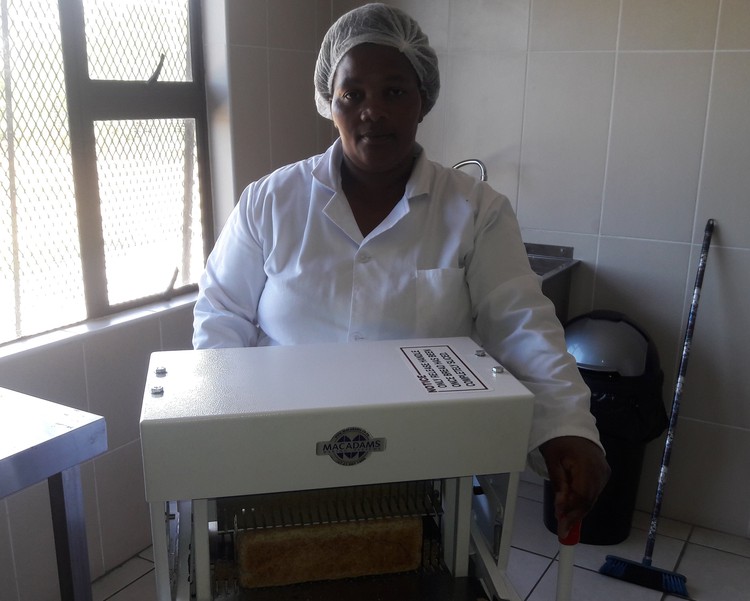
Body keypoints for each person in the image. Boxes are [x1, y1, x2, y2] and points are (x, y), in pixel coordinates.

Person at [193, 2, 609, 539]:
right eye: (353, 94)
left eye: (394, 91)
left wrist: (568, 427)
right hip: (281, 462)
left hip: (427, 475)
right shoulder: (269, 203)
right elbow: (221, 315)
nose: (374, 111)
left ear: (423, 100)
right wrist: (227, 426)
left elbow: (522, 323)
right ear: (330, 101)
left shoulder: (476, 210)